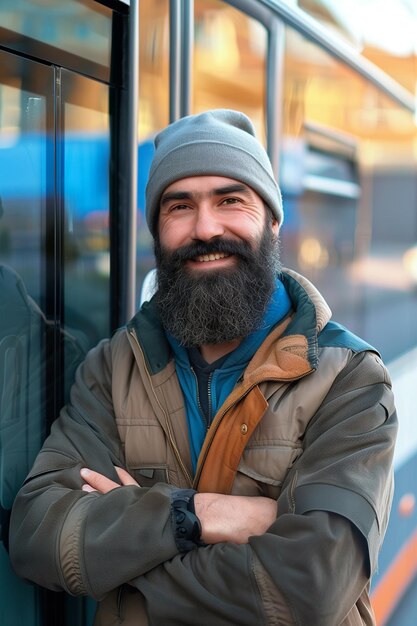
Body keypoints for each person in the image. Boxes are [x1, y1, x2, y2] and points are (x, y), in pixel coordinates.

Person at [9, 110, 397, 626]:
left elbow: (312, 585)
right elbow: (37, 534)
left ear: (273, 220)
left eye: (230, 199)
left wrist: (126, 548)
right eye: (180, 206)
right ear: (157, 231)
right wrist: (200, 516)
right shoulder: (112, 368)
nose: (206, 227)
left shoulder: (350, 380)